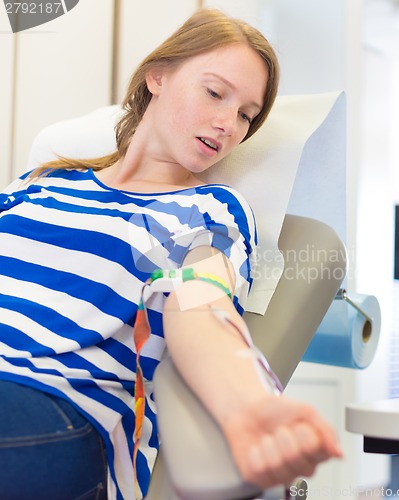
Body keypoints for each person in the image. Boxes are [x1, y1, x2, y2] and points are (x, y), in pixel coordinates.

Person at [0, 8, 342, 500]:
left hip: (62, 412)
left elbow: (202, 309)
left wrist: (247, 402)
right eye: (214, 93)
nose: (228, 124)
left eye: (246, 115)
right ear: (156, 76)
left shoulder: (206, 211)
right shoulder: (41, 184)